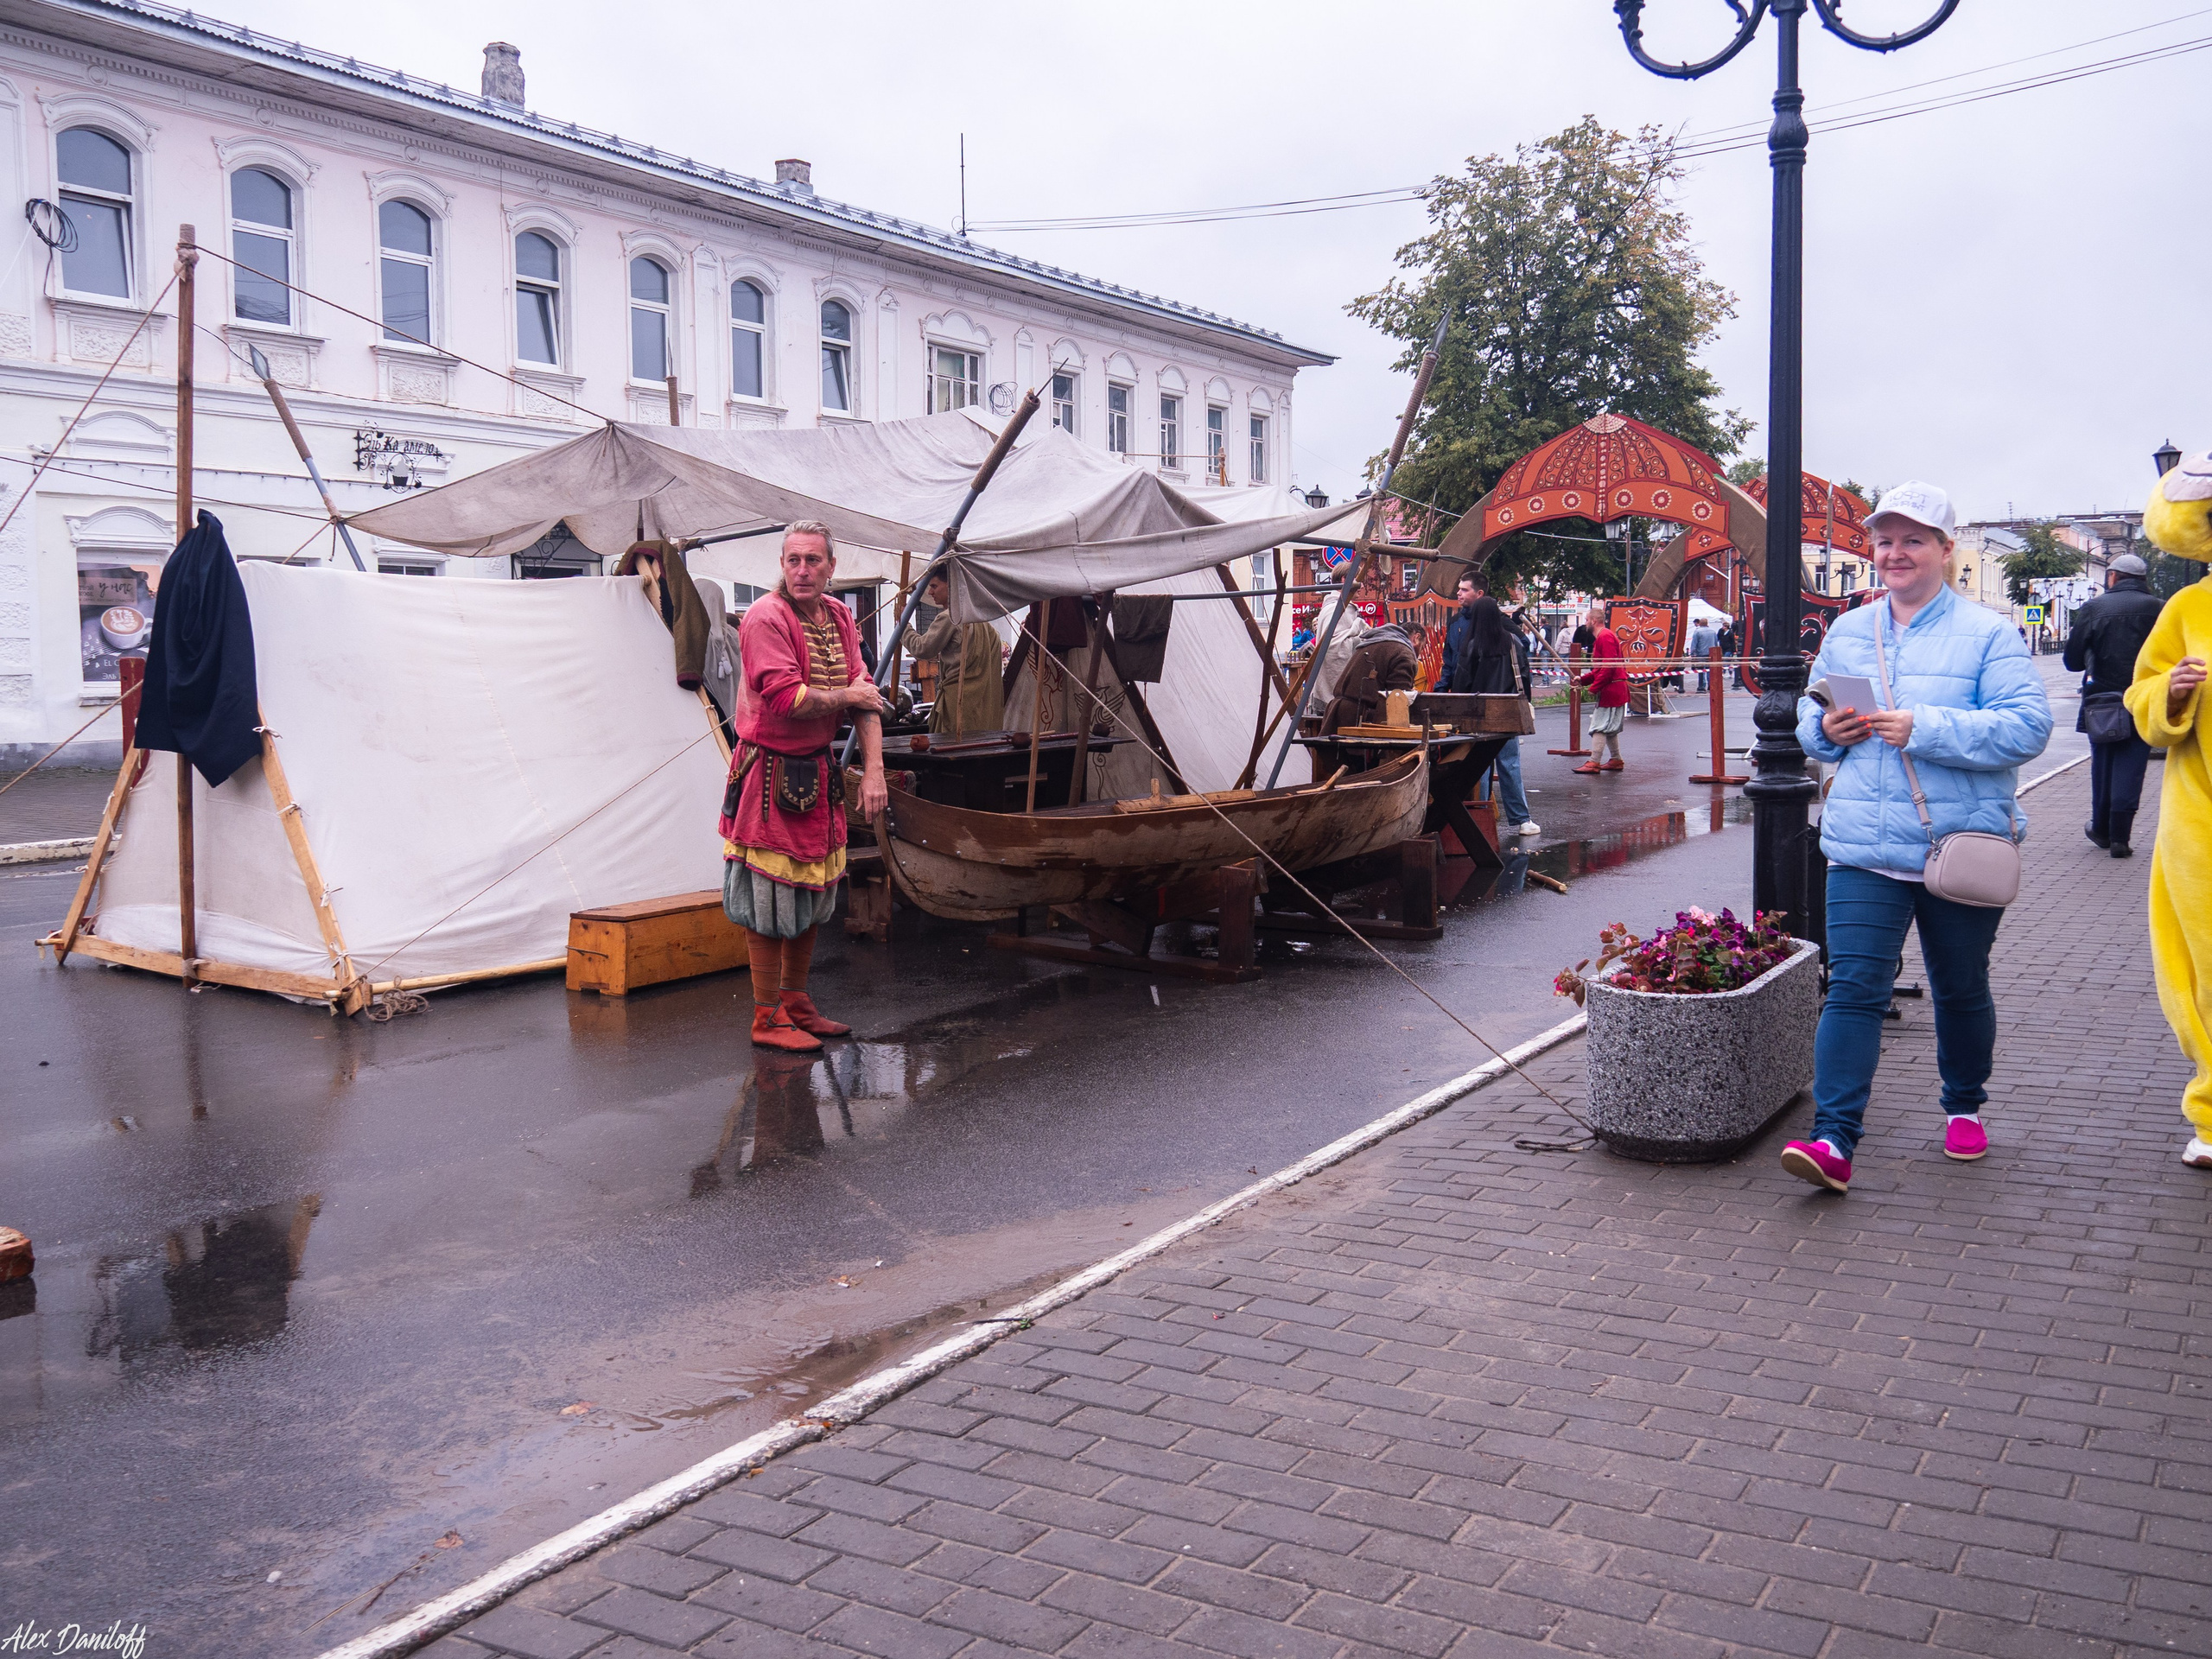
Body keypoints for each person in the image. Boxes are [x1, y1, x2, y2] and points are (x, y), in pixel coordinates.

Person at [1778, 482, 2052, 1194]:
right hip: (1865, 846)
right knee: (1853, 990)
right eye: (1885, 540)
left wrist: (1925, 726)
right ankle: (1834, 1139)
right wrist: (1826, 732)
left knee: (1960, 988)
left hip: (1957, 843)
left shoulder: (1987, 632)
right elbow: (1815, 724)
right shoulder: (1848, 632)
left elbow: (2028, 729)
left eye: (1913, 540)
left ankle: (1965, 1105)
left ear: (1944, 551)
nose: (1895, 553)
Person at [721, 521, 890, 1053]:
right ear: (782, 563)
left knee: (814, 887)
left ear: (830, 567)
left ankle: (794, 1000)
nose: (801, 570)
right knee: (769, 897)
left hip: (817, 772)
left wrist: (876, 771)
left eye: (813, 560)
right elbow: (786, 700)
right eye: (793, 560)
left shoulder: (839, 616)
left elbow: (866, 699)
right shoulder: (765, 617)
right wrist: (849, 694)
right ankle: (766, 1014)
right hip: (769, 772)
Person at [2123, 563, 2211, 1166]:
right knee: (2206, 966)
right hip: (2201, 817)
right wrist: (2172, 691)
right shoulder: (2189, 605)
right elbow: (2142, 693)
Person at [2063, 551, 2162, 856]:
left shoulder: (2095, 608)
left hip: (2102, 703)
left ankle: (2101, 830)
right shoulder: (2160, 608)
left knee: (2103, 765)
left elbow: (2072, 661)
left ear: (2113, 577)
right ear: (2143, 580)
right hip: (2144, 700)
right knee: (2132, 766)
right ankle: (2121, 837)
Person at [1450, 594, 1538, 836]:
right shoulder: (1511, 641)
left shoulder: (1470, 645)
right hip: (1507, 710)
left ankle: (1480, 816)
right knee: (1510, 764)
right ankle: (1522, 820)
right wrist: (1525, 704)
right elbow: (1525, 676)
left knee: (1481, 767)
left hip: (1479, 712)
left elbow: (1462, 682)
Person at [902, 565, 1006, 738]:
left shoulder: (951, 617)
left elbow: (922, 649)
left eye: (934, 586)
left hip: (958, 704)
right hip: (982, 705)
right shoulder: (984, 623)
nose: (930, 592)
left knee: (953, 748)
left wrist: (903, 624)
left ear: (952, 586)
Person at [1319, 619, 1419, 733]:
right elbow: (1397, 698)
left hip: (1339, 713)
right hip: (1358, 720)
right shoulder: (1403, 653)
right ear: (1416, 638)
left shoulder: (1371, 643)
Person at [1572, 601, 1630, 773]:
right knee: (1609, 728)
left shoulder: (1604, 637)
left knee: (1599, 725)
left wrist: (1593, 688)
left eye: (1587, 620)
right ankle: (1616, 759)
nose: (1585, 623)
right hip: (1612, 688)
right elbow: (1601, 670)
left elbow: (1608, 668)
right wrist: (1583, 679)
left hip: (1612, 689)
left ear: (1594, 621)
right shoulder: (1604, 637)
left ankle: (1594, 762)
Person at [1438, 573, 1479, 693]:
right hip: (1459, 691)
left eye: (1464, 590)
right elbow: (1449, 658)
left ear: (1479, 594)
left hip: (1484, 694)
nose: (1458, 593)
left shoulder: (1495, 619)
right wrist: (1442, 687)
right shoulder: (1455, 621)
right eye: (1459, 588)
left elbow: (1522, 643)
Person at [1687, 614, 1719, 693]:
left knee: (1701, 671)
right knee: (1710, 670)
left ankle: (1701, 686)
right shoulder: (1713, 631)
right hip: (1711, 653)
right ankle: (1711, 685)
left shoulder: (1697, 631)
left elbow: (1694, 644)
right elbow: (1716, 643)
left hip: (1701, 653)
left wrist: (1693, 653)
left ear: (1700, 623)